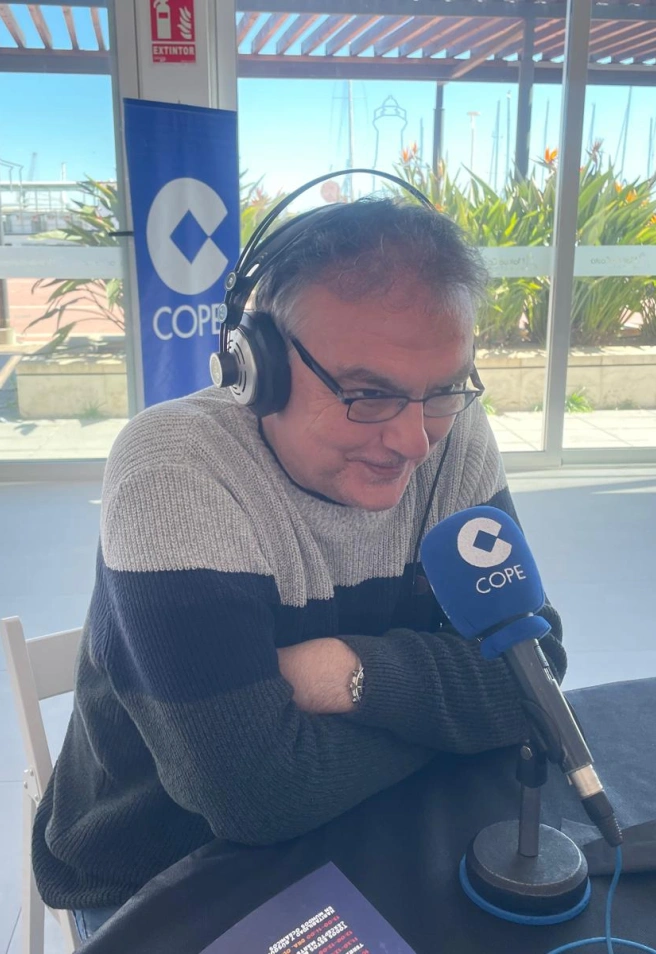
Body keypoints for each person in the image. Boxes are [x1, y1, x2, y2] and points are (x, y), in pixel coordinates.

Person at [32, 197, 566, 941]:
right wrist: (463, 713)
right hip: (158, 871)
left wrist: (343, 671)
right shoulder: (173, 471)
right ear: (258, 368)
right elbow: (256, 797)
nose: (415, 441)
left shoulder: (455, 431)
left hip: (372, 823)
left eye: (442, 389)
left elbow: (535, 668)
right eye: (368, 393)